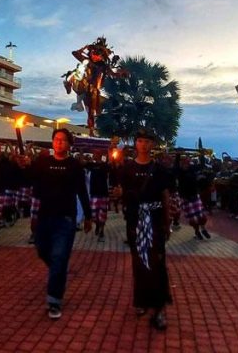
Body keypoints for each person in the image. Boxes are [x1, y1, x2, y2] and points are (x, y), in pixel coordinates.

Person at [26, 128, 92, 320]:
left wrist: (88, 216)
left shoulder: (74, 166)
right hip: (44, 216)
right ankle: (58, 270)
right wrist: (24, 166)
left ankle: (54, 300)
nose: (59, 142)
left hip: (65, 218)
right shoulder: (43, 162)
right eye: (56, 139)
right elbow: (31, 181)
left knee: (59, 256)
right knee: (42, 251)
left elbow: (82, 191)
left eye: (63, 140)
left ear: (69, 144)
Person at [113, 128, 172, 330]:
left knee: (157, 263)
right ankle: (141, 300)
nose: (143, 145)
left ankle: (159, 308)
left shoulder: (160, 169)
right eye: (140, 141)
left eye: (147, 141)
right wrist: (118, 194)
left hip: (155, 220)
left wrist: (167, 222)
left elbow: (165, 196)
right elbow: (121, 193)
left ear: (152, 144)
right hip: (135, 221)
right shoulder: (127, 168)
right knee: (139, 262)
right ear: (135, 143)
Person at [88, 149, 110, 242]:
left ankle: (101, 231)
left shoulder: (105, 165)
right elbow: (81, 163)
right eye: (94, 153)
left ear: (100, 155)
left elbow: (111, 167)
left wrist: (110, 153)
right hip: (94, 193)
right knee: (94, 215)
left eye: (96, 153)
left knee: (102, 214)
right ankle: (97, 225)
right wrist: (81, 149)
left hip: (103, 193)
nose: (94, 155)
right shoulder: (91, 165)